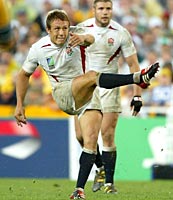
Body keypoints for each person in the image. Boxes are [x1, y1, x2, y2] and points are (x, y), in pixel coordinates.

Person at [13, 9, 159, 200]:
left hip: (87, 94)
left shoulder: (75, 36)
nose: (61, 33)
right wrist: (19, 105)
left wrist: (83, 39)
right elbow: (24, 75)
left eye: (65, 28)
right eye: (56, 29)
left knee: (88, 140)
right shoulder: (38, 48)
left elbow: (90, 38)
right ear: (47, 30)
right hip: (63, 94)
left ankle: (79, 190)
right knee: (92, 76)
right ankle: (138, 77)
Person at [72, 0, 159, 196]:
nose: (105, 12)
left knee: (107, 134)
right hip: (86, 86)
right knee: (81, 136)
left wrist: (137, 95)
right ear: (93, 10)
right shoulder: (81, 28)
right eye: (101, 8)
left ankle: (109, 183)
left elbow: (133, 64)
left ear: (112, 10)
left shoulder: (121, 32)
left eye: (108, 8)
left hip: (110, 85)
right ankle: (100, 167)